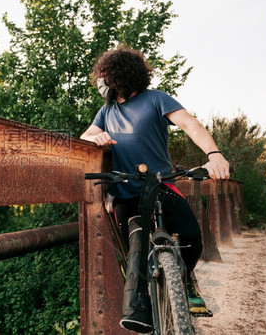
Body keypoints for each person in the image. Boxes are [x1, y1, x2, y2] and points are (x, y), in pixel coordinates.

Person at [81, 46, 230, 333]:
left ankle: (182, 280)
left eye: (105, 77)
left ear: (119, 77)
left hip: (160, 185)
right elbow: (84, 136)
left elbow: (190, 125)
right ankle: (142, 311)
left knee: (191, 236)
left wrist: (215, 155)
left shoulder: (156, 100)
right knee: (133, 253)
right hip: (124, 191)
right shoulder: (106, 111)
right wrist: (94, 136)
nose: (102, 84)